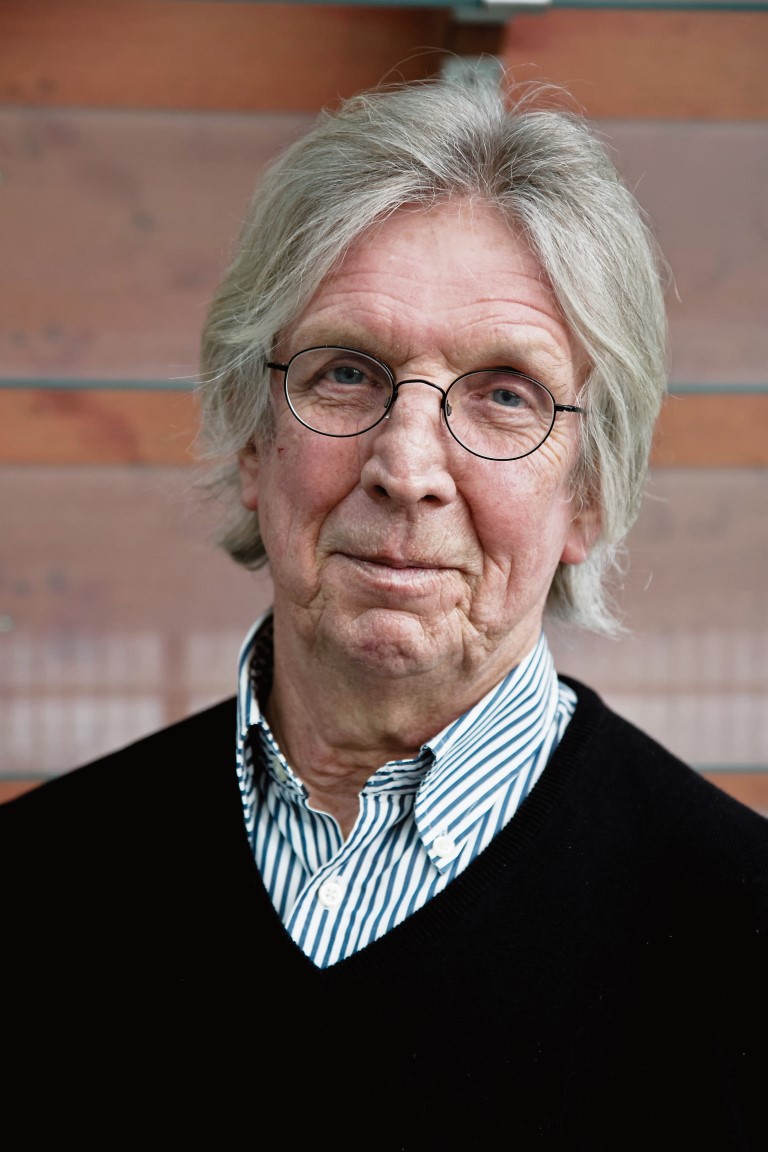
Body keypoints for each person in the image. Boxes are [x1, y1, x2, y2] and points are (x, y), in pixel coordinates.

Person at [2, 63, 766, 1149]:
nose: (407, 468)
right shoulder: (32, 892)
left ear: (590, 493)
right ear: (256, 441)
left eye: (505, 394)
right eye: (348, 373)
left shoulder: (743, 941)